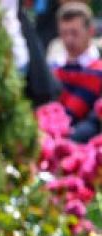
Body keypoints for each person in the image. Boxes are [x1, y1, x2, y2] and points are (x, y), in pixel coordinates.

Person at [53, 2, 102, 140]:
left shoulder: (98, 72)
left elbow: (94, 123)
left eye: (74, 33)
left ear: (90, 31)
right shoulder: (53, 70)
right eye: (64, 33)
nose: (69, 39)